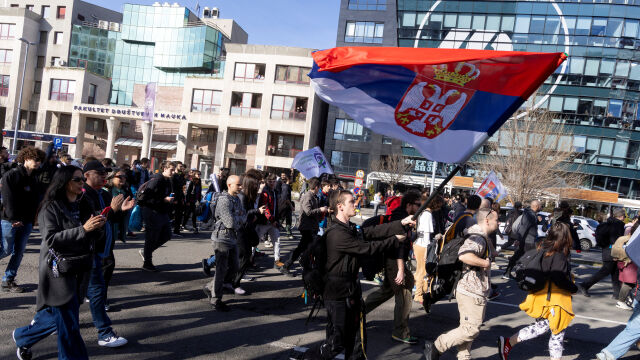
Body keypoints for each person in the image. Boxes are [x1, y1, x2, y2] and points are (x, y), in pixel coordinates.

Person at [12, 166, 105, 360]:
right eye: (78, 180)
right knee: (69, 325)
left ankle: (23, 336)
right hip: (57, 271)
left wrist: (110, 214)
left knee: (59, 317)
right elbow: (51, 239)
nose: (82, 183)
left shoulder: (83, 202)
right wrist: (84, 229)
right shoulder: (50, 207)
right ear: (65, 182)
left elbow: (92, 232)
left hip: (79, 268)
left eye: (82, 179)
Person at [316, 190, 415, 359]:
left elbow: (373, 231)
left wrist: (402, 222)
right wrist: (394, 240)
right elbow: (367, 248)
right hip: (337, 294)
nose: (356, 204)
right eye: (352, 202)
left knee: (357, 343)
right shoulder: (337, 234)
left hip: (351, 291)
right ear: (340, 207)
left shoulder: (348, 228)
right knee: (336, 343)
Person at [424, 207, 498, 360]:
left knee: (466, 326)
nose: (499, 222)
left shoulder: (475, 233)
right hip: (472, 290)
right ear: (487, 221)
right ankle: (437, 346)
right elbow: (465, 255)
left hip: (468, 287)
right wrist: (485, 263)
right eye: (497, 220)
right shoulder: (477, 238)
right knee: (472, 329)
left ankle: (464, 356)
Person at [497, 222, 578, 360]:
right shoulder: (558, 255)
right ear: (566, 237)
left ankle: (509, 342)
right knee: (557, 331)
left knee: (543, 327)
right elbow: (558, 278)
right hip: (554, 300)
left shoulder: (543, 248)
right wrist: (574, 288)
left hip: (541, 296)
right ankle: (509, 342)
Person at [80, 160, 132, 346]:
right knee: (90, 293)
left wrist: (119, 211)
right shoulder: (82, 194)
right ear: (86, 175)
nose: (104, 176)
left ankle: (104, 332)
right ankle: (104, 333)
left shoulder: (102, 193)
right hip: (86, 252)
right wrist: (110, 211)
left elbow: (107, 218)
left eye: (105, 173)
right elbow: (89, 223)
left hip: (100, 250)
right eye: (100, 173)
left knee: (93, 293)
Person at [364, 190, 422, 345]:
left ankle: (355, 312)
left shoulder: (401, 215)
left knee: (387, 291)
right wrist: (401, 270)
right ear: (409, 205)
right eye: (418, 205)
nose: (420, 208)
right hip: (395, 261)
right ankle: (400, 332)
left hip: (391, 261)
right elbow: (398, 247)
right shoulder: (401, 218)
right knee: (404, 293)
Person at [0, 146, 44, 293]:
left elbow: (36, 200)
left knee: (18, 252)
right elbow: (8, 200)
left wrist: (34, 218)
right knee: (6, 250)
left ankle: (8, 280)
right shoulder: (12, 175)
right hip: (9, 220)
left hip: (27, 221)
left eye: (40, 160)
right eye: (35, 159)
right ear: (26, 158)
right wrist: (13, 219)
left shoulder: (36, 178)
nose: (38, 163)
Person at [203, 175, 248, 311]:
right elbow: (230, 223)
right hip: (221, 238)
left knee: (234, 267)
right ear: (229, 185)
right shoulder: (224, 200)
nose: (241, 187)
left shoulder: (236, 199)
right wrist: (239, 217)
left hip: (232, 238)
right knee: (221, 270)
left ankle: (209, 287)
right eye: (238, 185)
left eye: (241, 185)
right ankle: (216, 299)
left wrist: (238, 217)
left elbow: (244, 217)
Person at [280, 177, 328, 276]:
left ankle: (301, 266)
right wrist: (321, 210)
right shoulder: (308, 196)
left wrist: (320, 215)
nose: (320, 189)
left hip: (311, 227)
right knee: (305, 248)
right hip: (307, 227)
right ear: (316, 187)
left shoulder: (314, 196)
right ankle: (287, 266)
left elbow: (313, 212)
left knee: (306, 248)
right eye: (319, 187)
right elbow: (308, 212)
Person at [577, 208, 626, 298]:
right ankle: (585, 285)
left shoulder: (607, 223)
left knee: (615, 273)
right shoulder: (618, 225)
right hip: (613, 252)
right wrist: (616, 253)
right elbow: (615, 240)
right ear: (621, 216)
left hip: (606, 250)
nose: (625, 218)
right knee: (605, 271)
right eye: (624, 216)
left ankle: (617, 294)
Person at [138, 160, 175, 272]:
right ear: (164, 168)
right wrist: (164, 199)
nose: (173, 172)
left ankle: (146, 252)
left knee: (167, 235)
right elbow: (146, 198)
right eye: (171, 169)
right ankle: (147, 263)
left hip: (161, 211)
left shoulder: (168, 180)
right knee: (151, 237)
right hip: (152, 211)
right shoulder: (157, 179)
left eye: (174, 170)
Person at [414, 194, 444, 304]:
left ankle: (421, 292)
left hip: (419, 244)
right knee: (422, 271)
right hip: (423, 245)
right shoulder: (427, 214)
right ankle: (418, 295)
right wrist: (428, 251)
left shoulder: (423, 212)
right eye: (439, 205)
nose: (439, 208)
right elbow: (426, 235)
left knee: (420, 270)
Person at [503, 200, 542, 279]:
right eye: (541, 206)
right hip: (528, 241)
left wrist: (537, 221)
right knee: (529, 257)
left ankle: (508, 273)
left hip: (526, 240)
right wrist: (518, 239)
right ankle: (520, 275)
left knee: (518, 256)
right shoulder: (530, 215)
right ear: (537, 206)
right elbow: (524, 227)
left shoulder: (530, 214)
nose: (541, 207)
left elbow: (530, 226)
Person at [257, 173, 282, 268]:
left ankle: (277, 261)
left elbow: (276, 207)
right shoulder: (265, 192)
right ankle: (248, 260)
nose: (272, 183)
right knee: (255, 242)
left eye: (273, 181)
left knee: (277, 241)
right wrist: (272, 220)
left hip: (273, 221)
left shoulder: (275, 192)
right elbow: (265, 208)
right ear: (267, 181)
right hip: (264, 221)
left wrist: (276, 220)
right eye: (270, 181)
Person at [171, 162, 187, 236]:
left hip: (181, 197)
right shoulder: (174, 176)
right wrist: (175, 198)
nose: (181, 168)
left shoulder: (181, 175)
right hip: (175, 197)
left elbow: (183, 185)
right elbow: (173, 187)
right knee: (172, 214)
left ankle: (176, 230)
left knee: (179, 214)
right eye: (180, 166)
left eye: (182, 166)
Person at [279, 174, 294, 238]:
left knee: (288, 220)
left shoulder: (285, 186)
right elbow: (286, 198)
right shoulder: (286, 187)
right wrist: (291, 206)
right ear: (288, 179)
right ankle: (270, 234)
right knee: (281, 220)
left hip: (284, 206)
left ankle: (289, 233)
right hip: (285, 206)